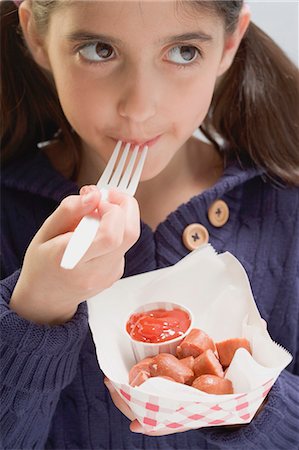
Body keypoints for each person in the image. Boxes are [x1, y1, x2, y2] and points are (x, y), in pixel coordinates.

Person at [1, 0, 298, 448]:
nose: (139, 108)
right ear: (37, 36)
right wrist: (38, 308)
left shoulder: (286, 208)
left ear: (229, 42)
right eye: (99, 50)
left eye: (183, 52)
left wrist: (247, 403)